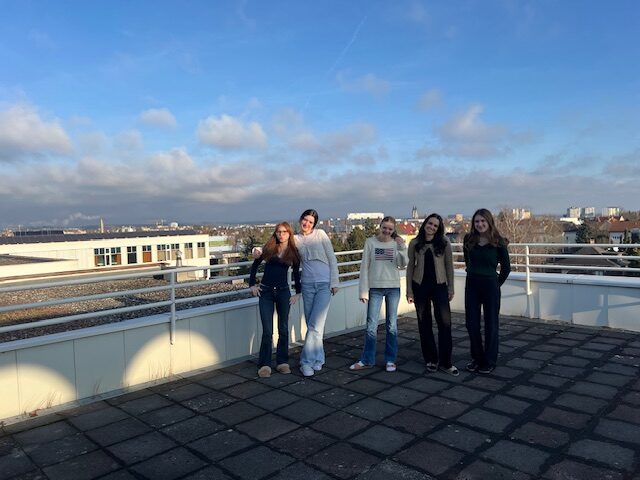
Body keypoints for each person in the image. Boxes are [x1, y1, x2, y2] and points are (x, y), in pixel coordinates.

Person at [350, 216, 407, 372]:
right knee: (371, 325)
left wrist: (402, 247)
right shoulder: (370, 242)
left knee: (392, 325)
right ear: (380, 227)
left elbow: (403, 264)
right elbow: (364, 267)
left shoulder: (396, 243)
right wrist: (363, 291)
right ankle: (367, 360)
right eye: (384, 227)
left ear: (393, 230)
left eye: (390, 229)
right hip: (374, 288)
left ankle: (390, 360)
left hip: (393, 287)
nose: (387, 231)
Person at [406, 213, 458, 376]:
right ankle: (431, 359)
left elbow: (449, 266)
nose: (432, 227)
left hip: (440, 286)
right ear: (425, 224)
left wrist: (451, 288)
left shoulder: (444, 242)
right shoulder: (415, 243)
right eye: (430, 223)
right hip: (420, 286)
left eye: (435, 225)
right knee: (424, 323)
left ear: (439, 228)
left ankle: (446, 362)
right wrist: (409, 290)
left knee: (445, 323)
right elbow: (410, 267)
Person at [249, 222, 301, 378]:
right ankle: (264, 364)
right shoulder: (269, 248)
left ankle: (282, 362)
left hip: (284, 292)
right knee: (267, 331)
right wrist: (252, 285)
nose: (281, 234)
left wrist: (298, 293)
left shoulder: (293, 252)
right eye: (279, 232)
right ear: (275, 233)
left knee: (283, 329)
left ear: (289, 234)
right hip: (265, 292)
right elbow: (255, 265)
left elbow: (297, 274)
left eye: (284, 232)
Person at [463, 208, 511, 374]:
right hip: (472, 285)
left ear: (489, 222)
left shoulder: (499, 241)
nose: (480, 224)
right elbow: (468, 261)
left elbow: (506, 268)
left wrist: (496, 284)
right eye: (477, 221)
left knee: (491, 324)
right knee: (471, 323)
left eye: (483, 221)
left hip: (490, 285)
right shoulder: (468, 239)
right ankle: (477, 358)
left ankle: (489, 361)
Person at [296, 209, 340, 377]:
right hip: (307, 285)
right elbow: (278, 245)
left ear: (314, 224)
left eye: (311, 222)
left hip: (324, 285)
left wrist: (334, 282)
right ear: (300, 219)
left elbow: (332, 258)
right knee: (313, 325)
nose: (307, 224)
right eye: (305, 220)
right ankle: (319, 358)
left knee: (315, 325)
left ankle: (305, 362)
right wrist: (258, 250)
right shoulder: (295, 239)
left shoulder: (320, 234)